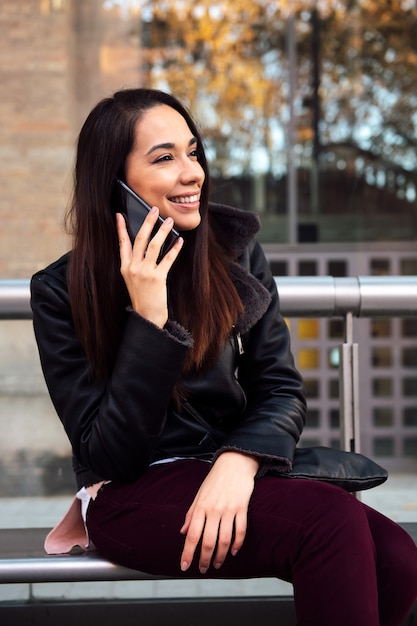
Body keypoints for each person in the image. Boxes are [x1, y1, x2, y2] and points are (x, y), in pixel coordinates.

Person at [30, 88, 417, 626]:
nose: (192, 173)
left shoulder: (233, 255)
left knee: (397, 560)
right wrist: (150, 320)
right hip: (131, 492)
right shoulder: (60, 291)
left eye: (193, 152)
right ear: (113, 181)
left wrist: (239, 462)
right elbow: (108, 455)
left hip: (233, 470)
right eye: (164, 158)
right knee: (329, 524)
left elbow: (279, 386)